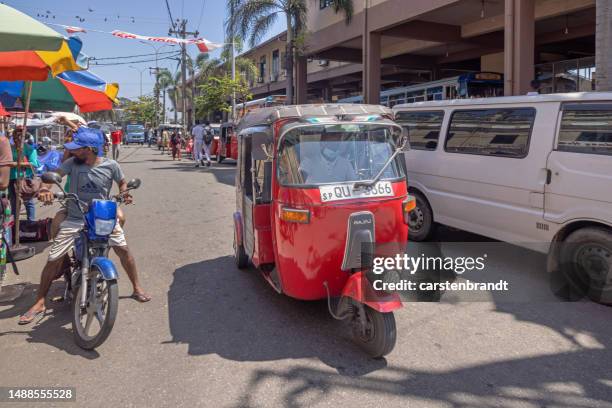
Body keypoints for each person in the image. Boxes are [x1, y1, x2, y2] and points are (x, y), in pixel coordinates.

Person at [18, 130, 151, 325]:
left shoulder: (111, 165)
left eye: (77, 148)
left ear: (89, 149)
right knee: (53, 258)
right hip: (75, 217)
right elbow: (54, 177)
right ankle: (39, 302)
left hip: (102, 217)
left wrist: (125, 193)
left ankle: (137, 287)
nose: (73, 151)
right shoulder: (72, 163)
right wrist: (46, 191)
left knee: (123, 250)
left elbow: (122, 183)